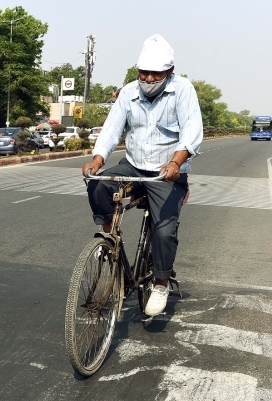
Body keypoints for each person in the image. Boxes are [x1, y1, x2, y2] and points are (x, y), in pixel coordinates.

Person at [81, 34, 203, 317]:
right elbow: (112, 128)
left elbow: (192, 133)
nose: (148, 78)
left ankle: (160, 282)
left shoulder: (183, 90)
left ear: (169, 72)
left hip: (167, 171)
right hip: (134, 166)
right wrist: (98, 158)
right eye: (143, 72)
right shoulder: (128, 92)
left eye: (155, 73)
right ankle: (109, 239)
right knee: (98, 185)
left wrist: (176, 162)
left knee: (164, 230)